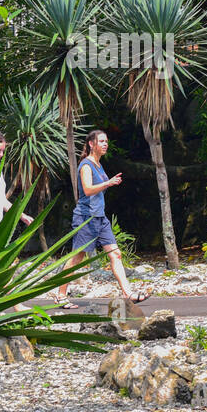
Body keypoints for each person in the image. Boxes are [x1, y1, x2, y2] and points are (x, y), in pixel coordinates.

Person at [57, 129, 148, 309]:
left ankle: (127, 293)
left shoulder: (98, 164)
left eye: (106, 141)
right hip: (85, 218)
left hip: (100, 218)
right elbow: (88, 189)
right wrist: (108, 183)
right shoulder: (86, 165)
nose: (105, 144)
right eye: (102, 141)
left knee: (115, 253)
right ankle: (60, 295)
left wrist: (108, 182)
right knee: (77, 258)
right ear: (92, 144)